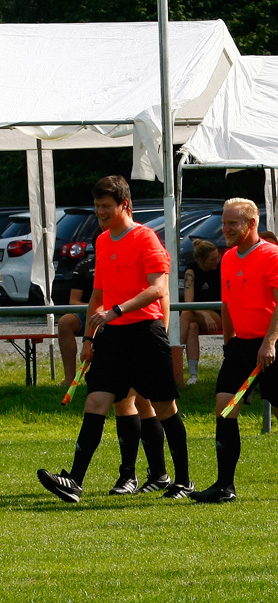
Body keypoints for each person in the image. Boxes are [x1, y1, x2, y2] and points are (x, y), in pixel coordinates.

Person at [37, 175, 192, 502]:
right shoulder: (103, 240)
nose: (100, 212)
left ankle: (183, 481)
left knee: (164, 407)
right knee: (96, 402)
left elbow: (158, 289)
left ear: (125, 205)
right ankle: (74, 481)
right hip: (113, 336)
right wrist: (89, 340)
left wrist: (116, 311)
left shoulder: (146, 238)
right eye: (97, 207)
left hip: (145, 334)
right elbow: (97, 295)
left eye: (106, 206)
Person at [191, 198, 278, 503]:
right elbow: (226, 304)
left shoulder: (274, 257)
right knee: (224, 408)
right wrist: (229, 344)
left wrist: (269, 343)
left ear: (251, 224)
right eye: (224, 222)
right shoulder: (228, 258)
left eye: (232, 223)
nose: (225, 229)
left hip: (274, 343)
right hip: (240, 346)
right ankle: (224, 486)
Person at [58, 229, 99, 387]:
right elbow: (73, 301)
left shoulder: (124, 262)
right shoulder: (84, 266)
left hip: (115, 312)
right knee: (65, 322)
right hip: (88, 313)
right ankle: (70, 377)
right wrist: (94, 309)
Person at [179, 239, 222, 386]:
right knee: (192, 326)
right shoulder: (191, 271)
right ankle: (193, 375)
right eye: (212, 259)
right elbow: (188, 302)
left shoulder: (221, 269)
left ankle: (172, 357)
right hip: (200, 316)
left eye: (218, 257)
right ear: (200, 260)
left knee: (186, 314)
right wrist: (204, 314)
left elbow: (188, 308)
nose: (217, 260)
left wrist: (207, 313)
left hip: (219, 315)